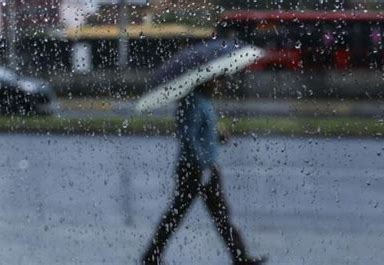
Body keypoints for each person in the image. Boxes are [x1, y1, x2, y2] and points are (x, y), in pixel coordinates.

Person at [141, 78, 267, 265]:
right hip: (196, 169)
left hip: (206, 168)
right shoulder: (192, 102)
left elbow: (202, 134)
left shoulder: (204, 101)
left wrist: (218, 136)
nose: (220, 84)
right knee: (178, 214)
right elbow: (188, 137)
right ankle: (151, 257)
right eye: (216, 81)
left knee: (218, 215)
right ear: (205, 82)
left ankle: (240, 257)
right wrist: (200, 165)